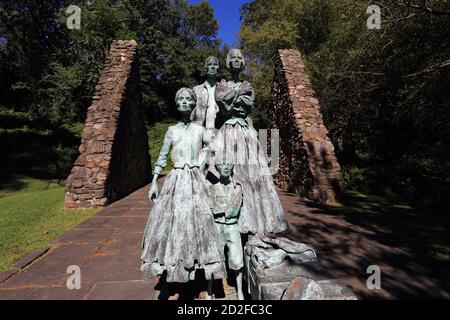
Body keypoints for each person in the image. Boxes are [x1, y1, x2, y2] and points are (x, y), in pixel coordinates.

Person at [140, 87, 226, 284]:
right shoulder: (172, 131)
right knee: (174, 221)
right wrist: (154, 181)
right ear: (177, 103)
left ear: (194, 104)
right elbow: (162, 157)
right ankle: (174, 264)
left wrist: (204, 161)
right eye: (181, 99)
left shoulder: (200, 129)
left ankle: (199, 262)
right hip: (176, 180)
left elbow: (215, 147)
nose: (185, 102)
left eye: (189, 99)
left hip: (196, 179)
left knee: (200, 220)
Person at [212, 49, 288, 236]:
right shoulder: (222, 85)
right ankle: (229, 221)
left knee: (255, 175)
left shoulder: (249, 85)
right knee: (228, 173)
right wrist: (238, 95)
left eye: (240, 58)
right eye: (233, 58)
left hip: (246, 132)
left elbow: (247, 105)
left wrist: (232, 98)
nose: (237, 60)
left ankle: (257, 220)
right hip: (228, 132)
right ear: (229, 62)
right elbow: (222, 105)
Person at [207, 163, 244, 300]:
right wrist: (220, 209)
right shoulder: (212, 188)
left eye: (229, 165)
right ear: (217, 169)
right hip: (217, 226)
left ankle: (239, 291)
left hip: (232, 226)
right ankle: (210, 291)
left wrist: (221, 210)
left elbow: (235, 207)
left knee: (237, 259)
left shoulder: (237, 188)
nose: (226, 168)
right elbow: (210, 208)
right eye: (223, 165)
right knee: (214, 259)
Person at [191, 56, 221, 145]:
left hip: (220, 132)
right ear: (206, 68)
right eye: (209, 64)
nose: (212, 67)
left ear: (218, 68)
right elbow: (191, 114)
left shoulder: (224, 89)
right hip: (200, 132)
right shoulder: (196, 90)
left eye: (215, 65)